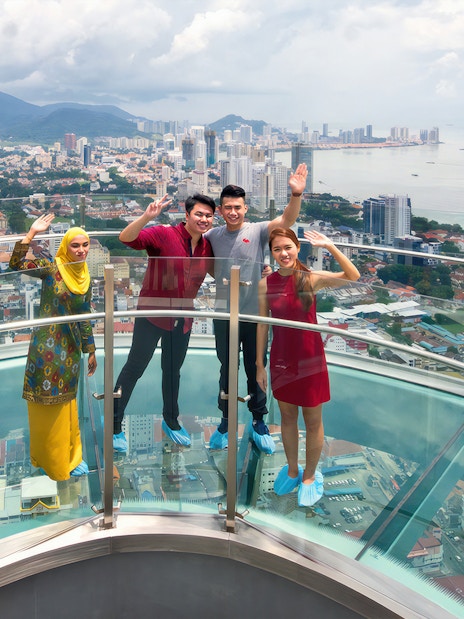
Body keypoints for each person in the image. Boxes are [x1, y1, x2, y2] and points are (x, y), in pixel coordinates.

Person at [205, 164, 308, 453]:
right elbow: (205, 263)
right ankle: (226, 420)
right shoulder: (213, 236)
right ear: (220, 210)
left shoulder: (259, 230)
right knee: (227, 368)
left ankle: (259, 420)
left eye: (237, 207)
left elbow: (286, 219)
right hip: (224, 313)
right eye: (228, 207)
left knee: (256, 367)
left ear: (245, 208)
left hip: (254, 314)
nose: (233, 212)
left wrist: (296, 194)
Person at [256, 228, 360, 506]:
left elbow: (353, 276)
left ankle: (310, 476)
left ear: (297, 247)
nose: (283, 254)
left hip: (310, 359)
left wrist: (330, 246)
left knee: (313, 422)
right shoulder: (266, 284)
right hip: (281, 358)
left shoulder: (309, 279)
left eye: (288, 247)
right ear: (272, 253)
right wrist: (259, 364)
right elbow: (262, 325)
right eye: (277, 249)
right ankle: (292, 469)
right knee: (287, 418)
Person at [113, 193, 215, 450]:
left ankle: (171, 420)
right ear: (187, 214)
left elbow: (219, 270)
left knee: (172, 372)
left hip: (183, 319)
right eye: (199, 214)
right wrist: (147, 216)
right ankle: (114, 425)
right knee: (134, 368)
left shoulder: (206, 247)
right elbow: (126, 238)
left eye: (208, 215)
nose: (203, 219)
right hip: (152, 315)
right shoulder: (163, 233)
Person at [9, 214, 97, 481]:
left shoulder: (84, 276)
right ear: (65, 246)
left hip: (69, 350)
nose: (81, 250)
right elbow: (15, 264)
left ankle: (70, 456)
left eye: (85, 245)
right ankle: (49, 460)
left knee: (67, 406)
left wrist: (90, 349)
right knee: (47, 406)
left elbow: (83, 314)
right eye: (75, 245)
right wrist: (31, 233)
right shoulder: (51, 267)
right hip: (46, 349)